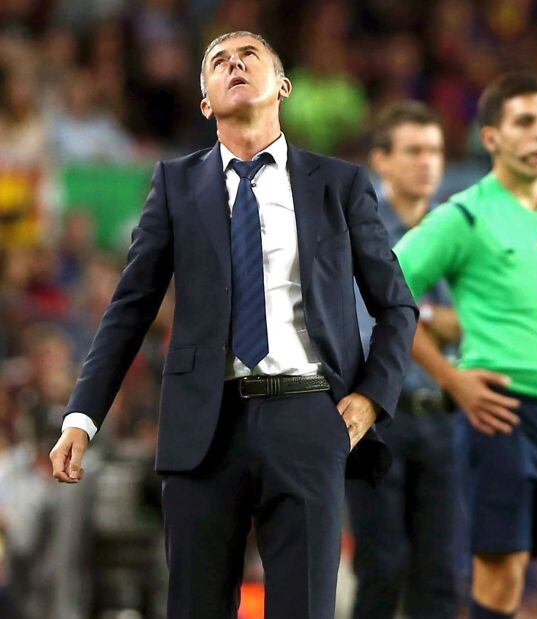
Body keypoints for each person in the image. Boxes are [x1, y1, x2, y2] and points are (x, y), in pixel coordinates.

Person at [49, 31, 418, 619]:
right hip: (204, 426)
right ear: (205, 102)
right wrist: (81, 416)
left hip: (308, 417)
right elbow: (130, 308)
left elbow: (396, 305)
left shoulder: (339, 185)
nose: (234, 65)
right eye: (218, 61)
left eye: (249, 56)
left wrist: (373, 397)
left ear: (283, 86)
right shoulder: (175, 184)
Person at [394, 72, 537, 619]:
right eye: (525, 122)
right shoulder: (464, 215)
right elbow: (387, 294)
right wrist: (452, 378)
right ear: (492, 138)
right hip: (501, 414)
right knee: (502, 575)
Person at [346, 101, 460, 619]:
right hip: (378, 420)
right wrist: (433, 315)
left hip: (444, 418)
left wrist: (420, 311)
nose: (427, 162)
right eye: (413, 151)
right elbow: (375, 325)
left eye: (435, 151)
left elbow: (472, 322)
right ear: (381, 161)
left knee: (441, 576)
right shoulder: (358, 232)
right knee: (381, 568)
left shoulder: (457, 228)